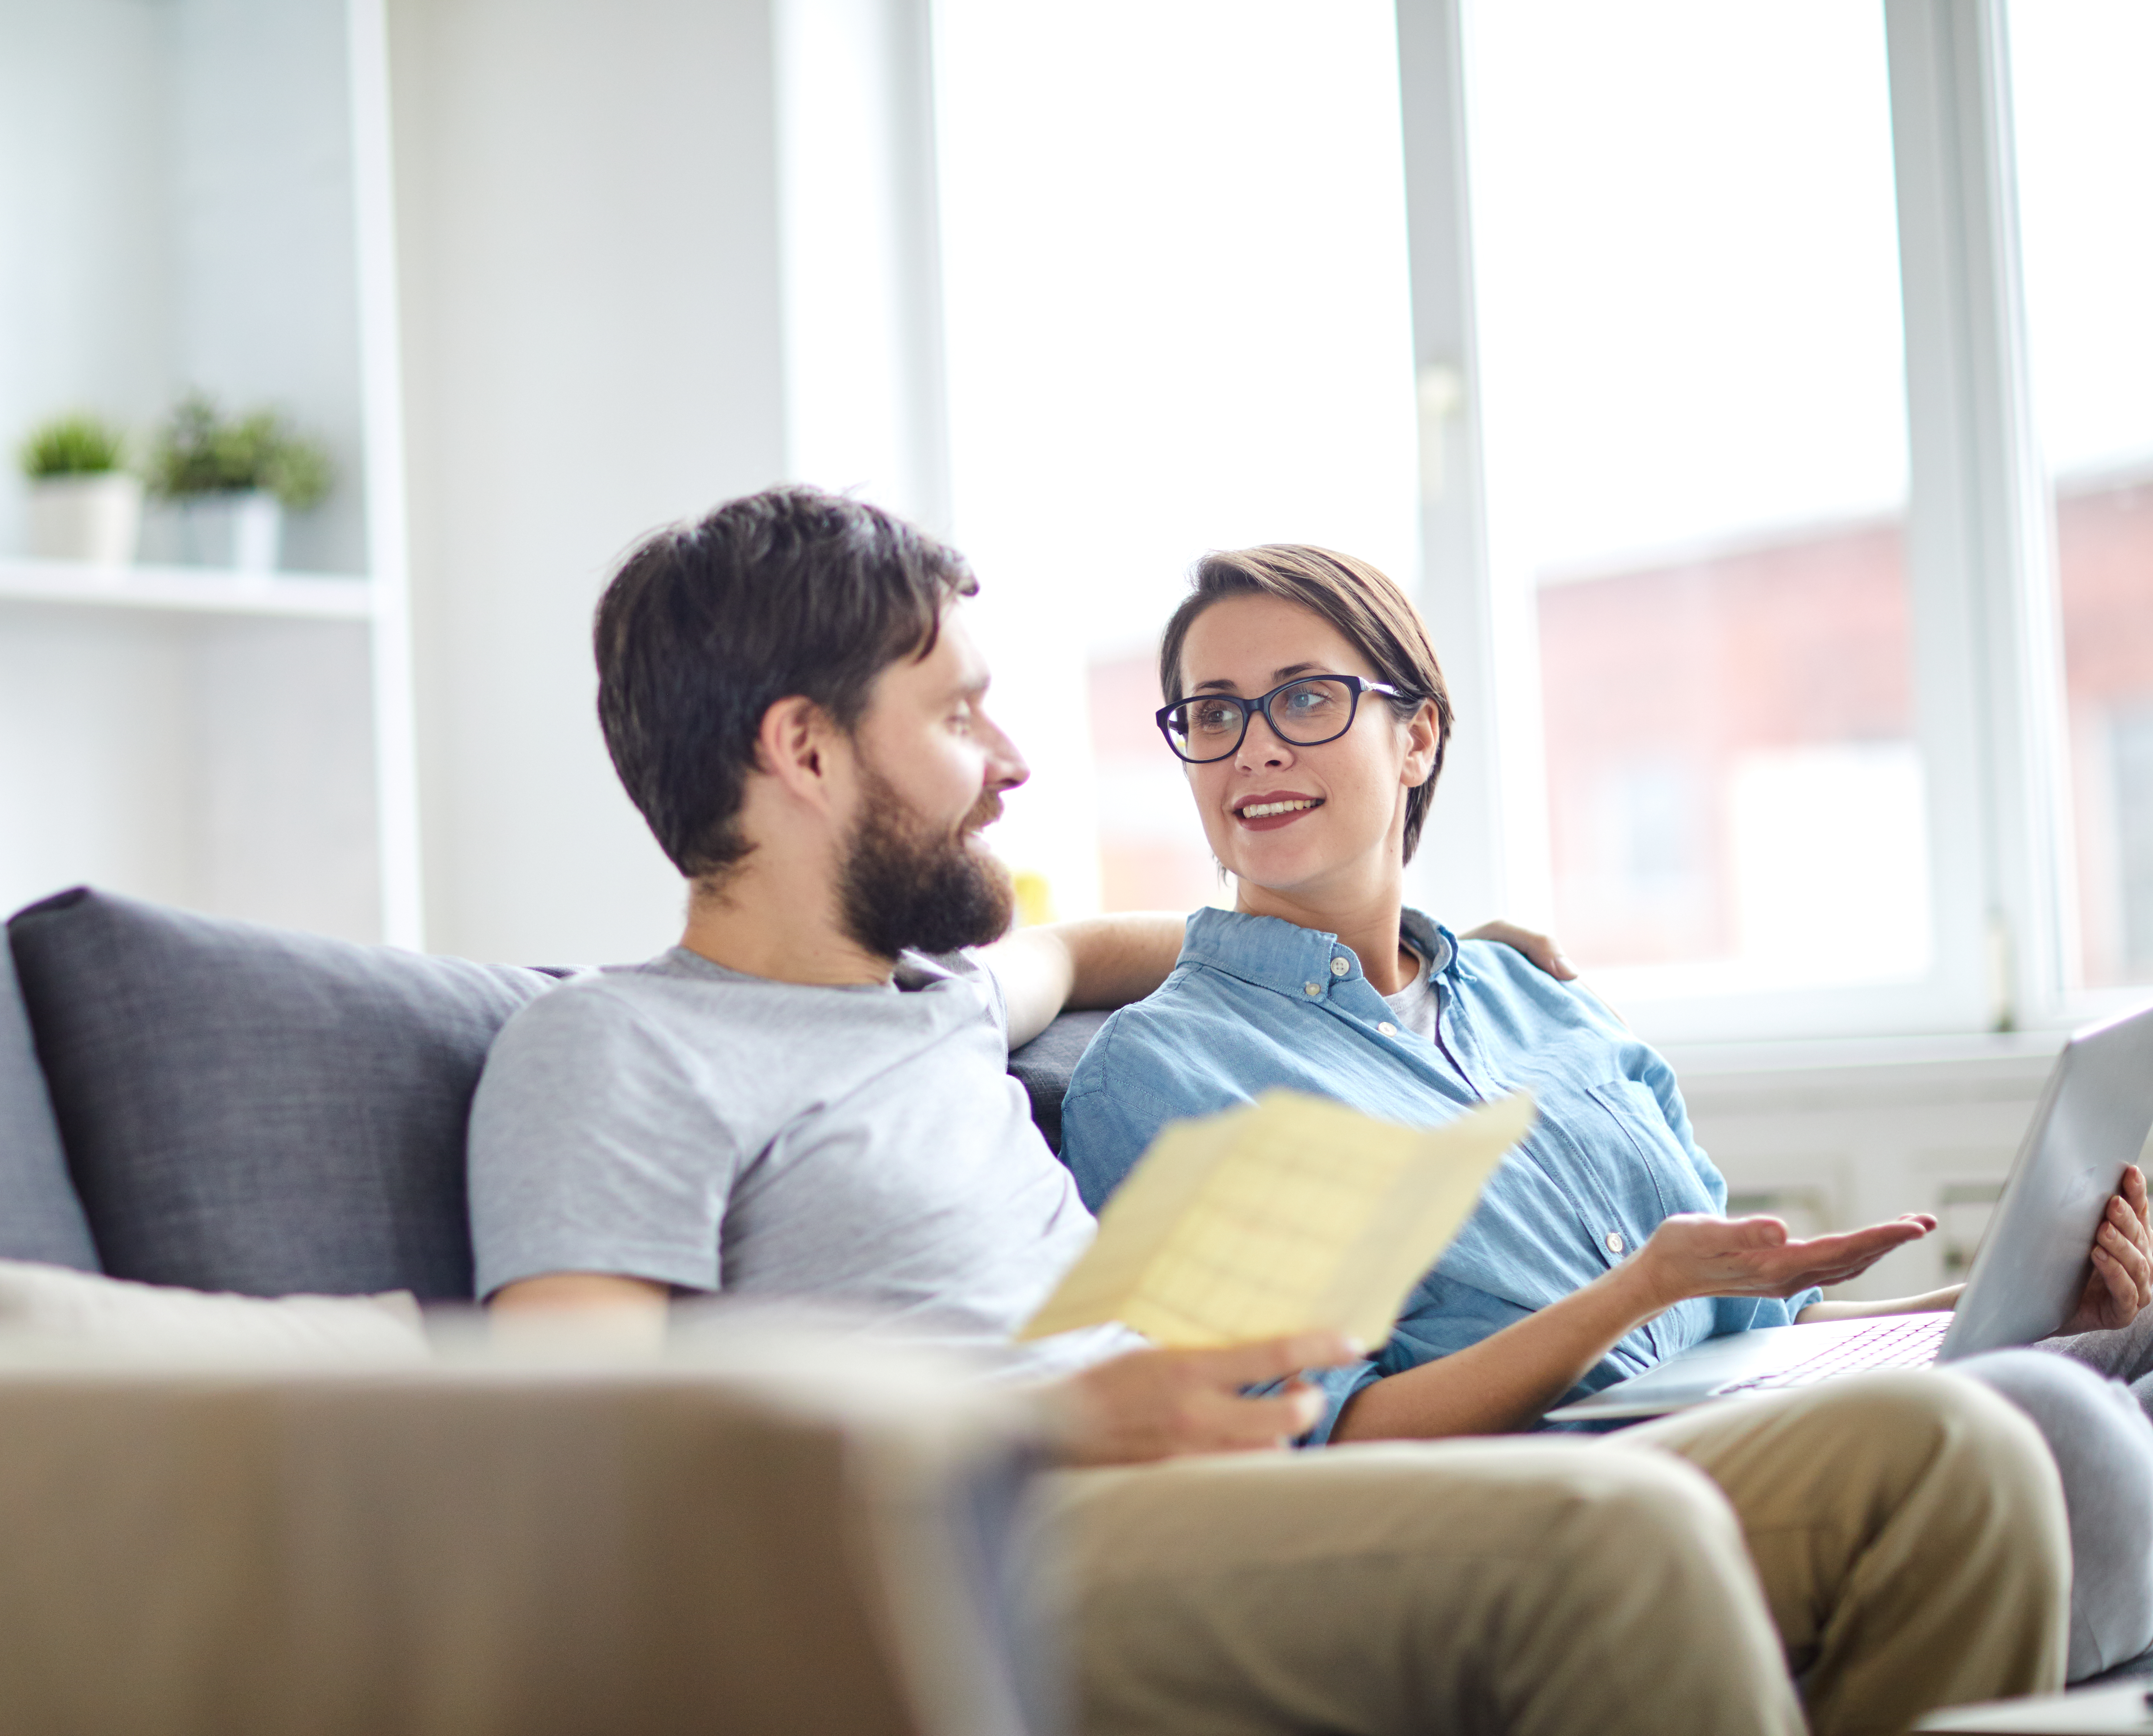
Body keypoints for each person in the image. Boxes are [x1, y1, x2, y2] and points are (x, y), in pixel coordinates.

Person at [466, 486, 2070, 1736]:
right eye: (960, 715)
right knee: (1615, 1539)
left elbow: (1117, 943)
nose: (1016, 763)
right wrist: (1038, 1419)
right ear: (803, 750)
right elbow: (559, 1469)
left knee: (1952, 1463)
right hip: (1005, 1545)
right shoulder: (612, 1049)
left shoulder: (948, 1003)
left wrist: (1461, 956)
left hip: (1239, 1484)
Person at [1061, 539, 2153, 1679]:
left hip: (1742, 1425)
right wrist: (1636, 1291)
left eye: (1304, 698)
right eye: (1214, 714)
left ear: (1418, 736)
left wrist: (2013, 1300)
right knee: (2056, 1426)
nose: (1256, 748)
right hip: (1555, 1501)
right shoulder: (1170, 1074)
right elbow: (1324, 1439)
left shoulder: (1534, 997)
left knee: (2121, 1342)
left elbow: (1747, 1346)